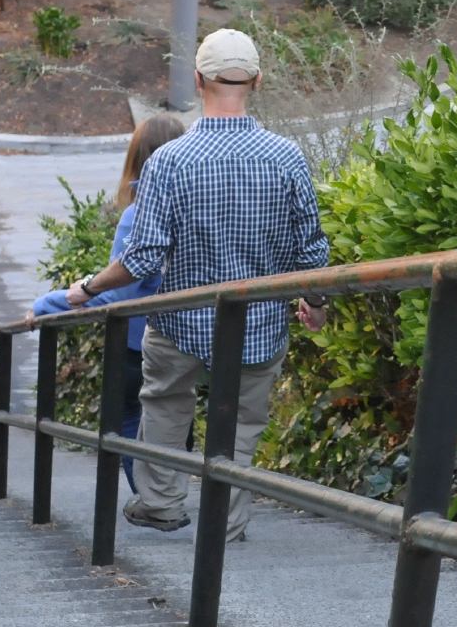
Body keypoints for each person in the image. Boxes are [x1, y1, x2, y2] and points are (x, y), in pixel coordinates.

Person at [67, 28, 328, 542]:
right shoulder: (287, 157)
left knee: (164, 403)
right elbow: (312, 250)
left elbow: (140, 258)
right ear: (256, 80)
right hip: (259, 320)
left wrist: (89, 288)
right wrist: (314, 304)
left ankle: (162, 503)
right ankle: (225, 527)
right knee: (242, 423)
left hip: (182, 319)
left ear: (197, 79)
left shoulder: (169, 161)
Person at [29, 113, 188, 492]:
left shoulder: (138, 214)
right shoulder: (196, 207)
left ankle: (155, 497)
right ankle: (173, 492)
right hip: (189, 333)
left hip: (139, 341)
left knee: (126, 417)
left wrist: (47, 305)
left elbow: (120, 288)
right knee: (175, 416)